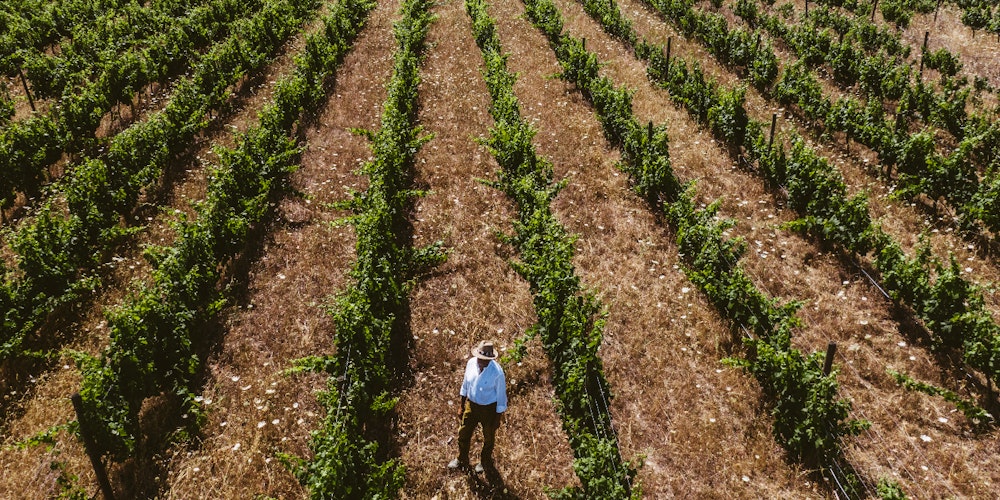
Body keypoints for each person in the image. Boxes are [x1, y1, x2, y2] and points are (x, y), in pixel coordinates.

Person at [448, 340, 507, 474]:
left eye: (485, 360)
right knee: (463, 432)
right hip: (472, 405)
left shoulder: (497, 372)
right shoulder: (470, 364)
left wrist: (497, 418)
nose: (482, 362)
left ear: (491, 359)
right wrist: (461, 406)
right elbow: (465, 385)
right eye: (480, 359)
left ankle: (485, 461)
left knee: (488, 437)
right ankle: (461, 458)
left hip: (489, 409)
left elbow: (501, 397)